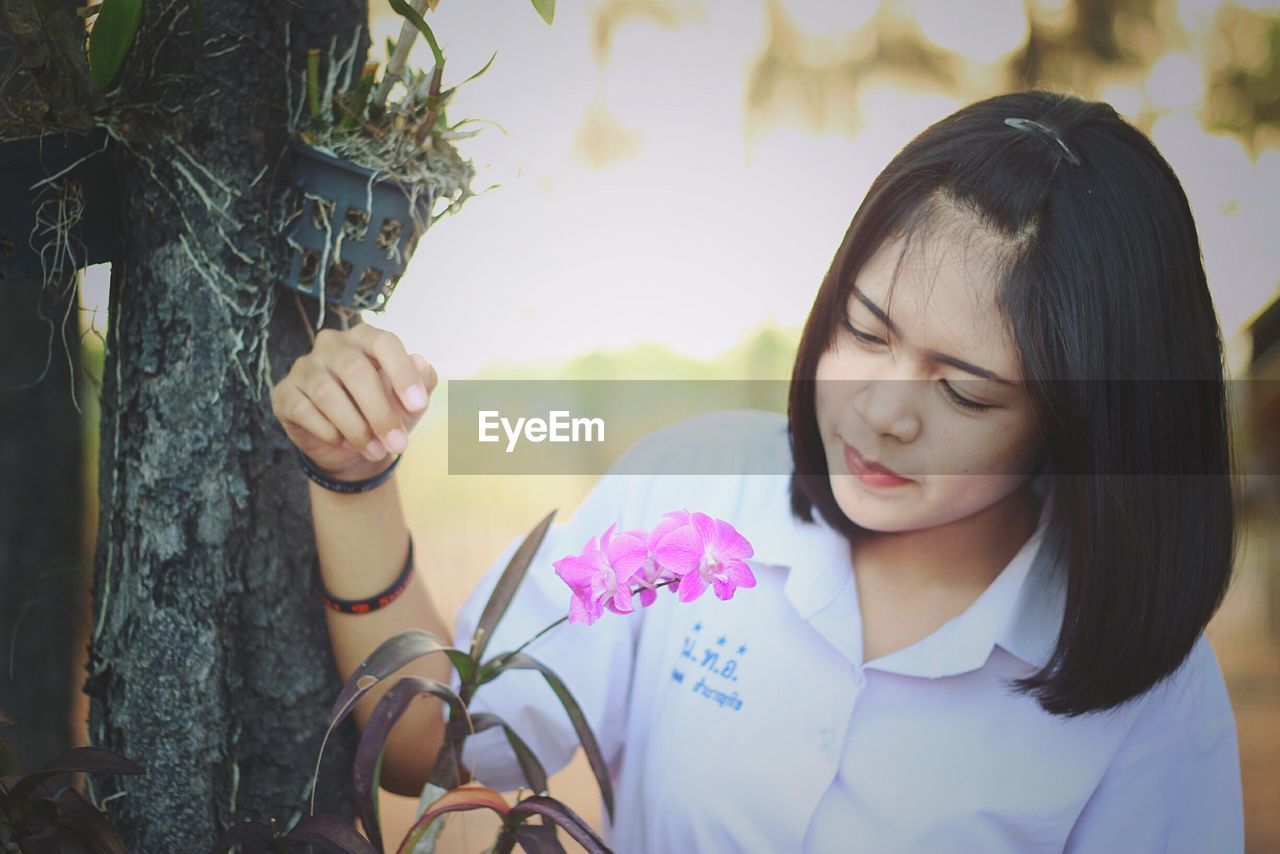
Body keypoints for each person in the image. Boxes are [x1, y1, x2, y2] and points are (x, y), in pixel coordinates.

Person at [269, 89, 1244, 852]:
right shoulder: (693, 499)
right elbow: (433, 739)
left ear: (1074, 419)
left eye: (965, 391)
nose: (879, 411)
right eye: (865, 330)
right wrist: (353, 473)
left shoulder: (1147, 689)